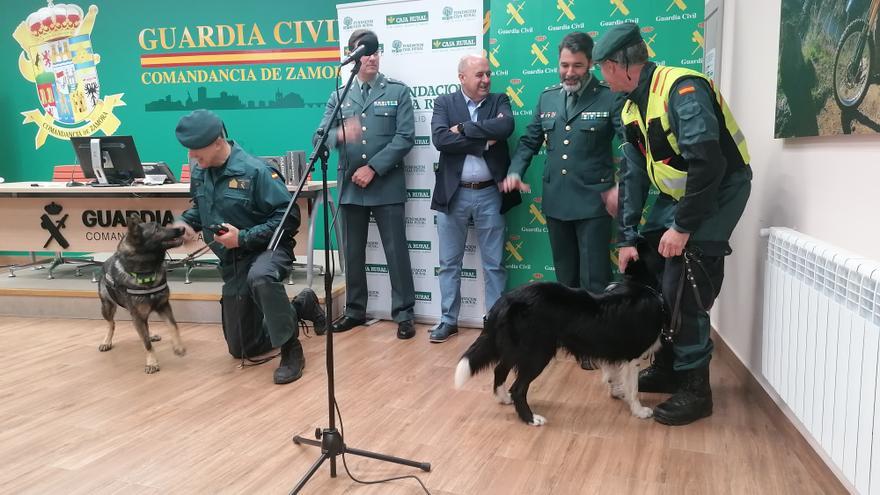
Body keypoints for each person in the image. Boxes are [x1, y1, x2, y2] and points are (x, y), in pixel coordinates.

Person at [593, 23, 753, 425]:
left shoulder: (682, 89)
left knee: (685, 277)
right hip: (679, 191)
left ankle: (697, 390)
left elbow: (709, 164)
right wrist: (627, 237)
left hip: (718, 189)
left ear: (618, 65)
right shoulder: (631, 105)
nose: (601, 76)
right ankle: (669, 365)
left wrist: (682, 229)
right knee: (649, 263)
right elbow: (633, 177)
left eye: (603, 68)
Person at [174, 109, 325, 385]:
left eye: (196, 150)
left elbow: (288, 216)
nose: (192, 156)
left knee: (261, 277)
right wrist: (185, 224)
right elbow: (200, 208)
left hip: (268, 250)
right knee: (242, 348)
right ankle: (302, 305)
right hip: (233, 260)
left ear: (218, 142)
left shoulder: (256, 170)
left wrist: (243, 237)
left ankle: (291, 349)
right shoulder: (200, 171)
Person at [502, 32, 623, 370]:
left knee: (595, 279)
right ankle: (572, 339)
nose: (570, 72)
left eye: (578, 66)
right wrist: (515, 171)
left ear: (591, 65)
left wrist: (622, 187)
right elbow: (528, 141)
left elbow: (631, 143)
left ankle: (596, 344)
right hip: (556, 201)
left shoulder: (609, 98)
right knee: (565, 279)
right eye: (565, 65)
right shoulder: (548, 98)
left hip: (595, 203)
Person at [316, 29, 417, 339]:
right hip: (350, 188)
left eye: (375, 51)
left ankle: (404, 314)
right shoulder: (340, 94)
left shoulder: (397, 91)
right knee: (353, 253)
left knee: (396, 252)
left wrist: (373, 168)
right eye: (365, 52)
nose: (372, 57)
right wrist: (339, 135)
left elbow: (405, 138)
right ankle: (355, 310)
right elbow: (320, 137)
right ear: (353, 57)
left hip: (385, 185)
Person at [429, 55, 521, 343]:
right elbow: (441, 140)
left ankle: (494, 322)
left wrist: (465, 129)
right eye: (479, 75)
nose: (486, 80)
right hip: (453, 193)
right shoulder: (445, 103)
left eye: (488, 74)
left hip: (489, 194)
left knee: (494, 263)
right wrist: (483, 141)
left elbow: (505, 128)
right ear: (462, 78)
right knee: (449, 263)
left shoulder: (499, 100)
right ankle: (447, 320)